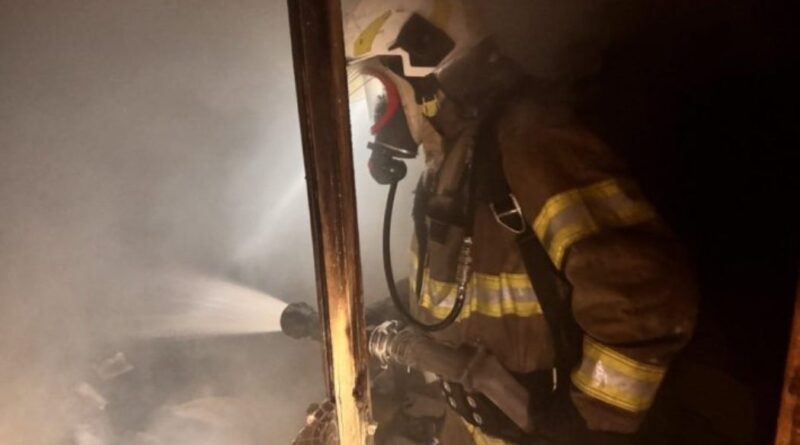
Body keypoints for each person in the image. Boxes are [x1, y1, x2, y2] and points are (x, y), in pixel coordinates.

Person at [344, 1, 703, 443]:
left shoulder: (528, 142)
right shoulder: (452, 165)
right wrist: (382, 312)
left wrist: (588, 417)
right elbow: (454, 289)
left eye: (384, 89)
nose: (382, 116)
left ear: (423, 60)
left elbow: (645, 294)